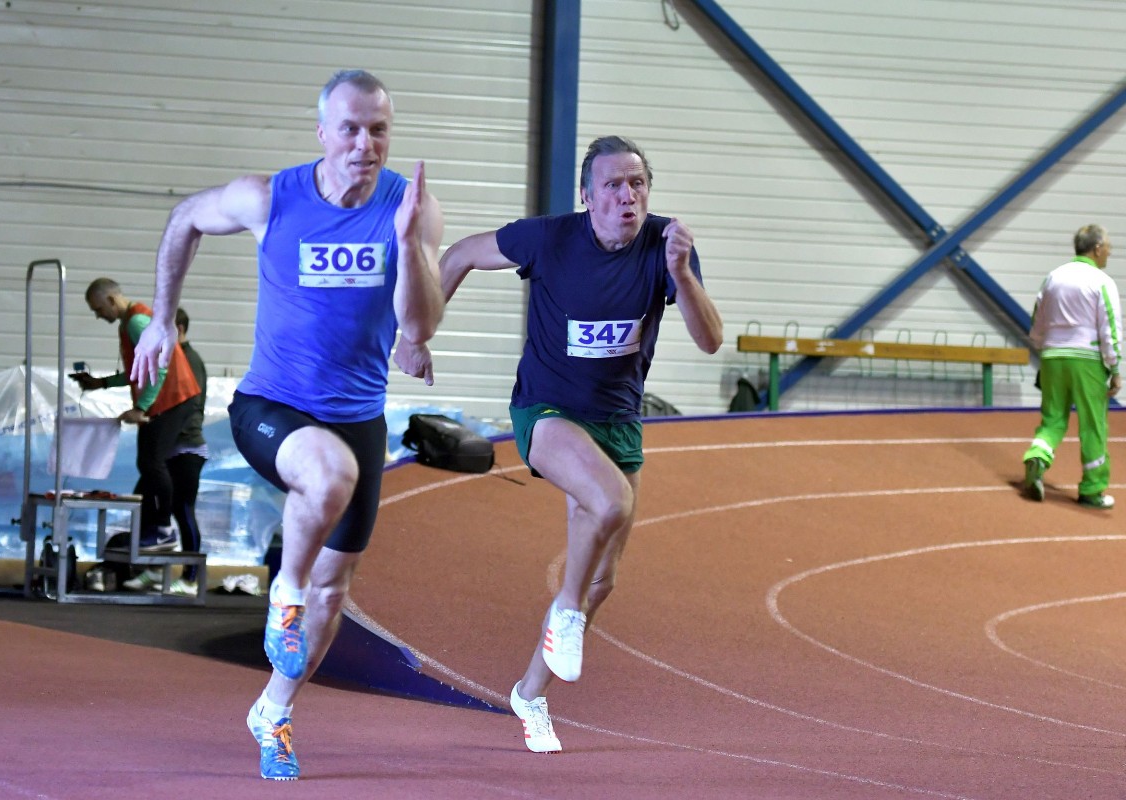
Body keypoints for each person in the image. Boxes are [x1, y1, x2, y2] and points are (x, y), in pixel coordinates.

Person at [129, 69, 443, 781]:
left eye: (379, 130)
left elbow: (419, 325)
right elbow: (185, 217)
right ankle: (285, 593)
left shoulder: (412, 207)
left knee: (337, 589)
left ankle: (273, 710)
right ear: (323, 132)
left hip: (357, 416)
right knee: (328, 478)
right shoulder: (270, 197)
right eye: (350, 129)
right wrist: (161, 320)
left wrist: (408, 248)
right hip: (271, 406)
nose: (365, 144)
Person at [431, 135, 722, 753]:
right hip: (547, 411)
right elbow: (458, 255)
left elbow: (710, 340)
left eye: (637, 184)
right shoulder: (548, 238)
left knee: (602, 581)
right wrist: (416, 333)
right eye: (613, 185)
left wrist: (680, 276)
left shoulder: (667, 244)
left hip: (617, 419)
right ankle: (564, 612)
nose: (627, 196)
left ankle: (530, 694)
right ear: (587, 196)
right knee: (611, 501)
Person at [76, 278, 202, 551]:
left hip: (174, 398)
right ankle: (154, 527)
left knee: (151, 462)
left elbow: (160, 365)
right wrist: (102, 383)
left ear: (112, 300)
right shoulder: (131, 323)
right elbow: (139, 369)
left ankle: (163, 529)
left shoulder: (136, 323)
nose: (98, 316)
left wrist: (140, 408)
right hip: (169, 399)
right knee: (147, 464)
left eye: (98, 309)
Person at [1023, 224, 1121, 508]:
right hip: (1087, 360)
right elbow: (1110, 328)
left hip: (1053, 356)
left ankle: (1037, 456)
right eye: (1108, 247)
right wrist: (1115, 368)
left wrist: (1044, 347)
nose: (1110, 252)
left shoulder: (1053, 277)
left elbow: (1038, 320)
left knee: (1053, 419)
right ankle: (1092, 489)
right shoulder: (1101, 281)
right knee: (1093, 425)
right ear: (1097, 248)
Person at [124, 306, 207, 596]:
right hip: (166, 448)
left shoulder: (189, 361)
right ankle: (155, 568)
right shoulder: (172, 359)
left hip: (186, 446)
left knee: (182, 509)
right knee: (148, 500)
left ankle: (191, 578)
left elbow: (186, 404)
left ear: (178, 330)